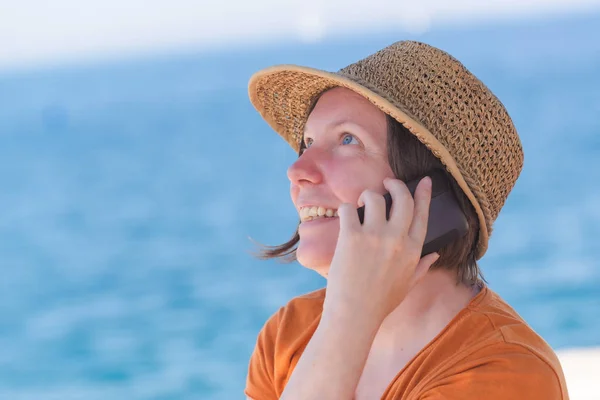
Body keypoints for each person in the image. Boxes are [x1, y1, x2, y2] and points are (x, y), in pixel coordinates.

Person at [244, 41, 569, 400]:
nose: (297, 170)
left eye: (348, 140)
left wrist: (350, 318)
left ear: (430, 196)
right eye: (308, 144)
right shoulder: (287, 335)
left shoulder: (506, 372)